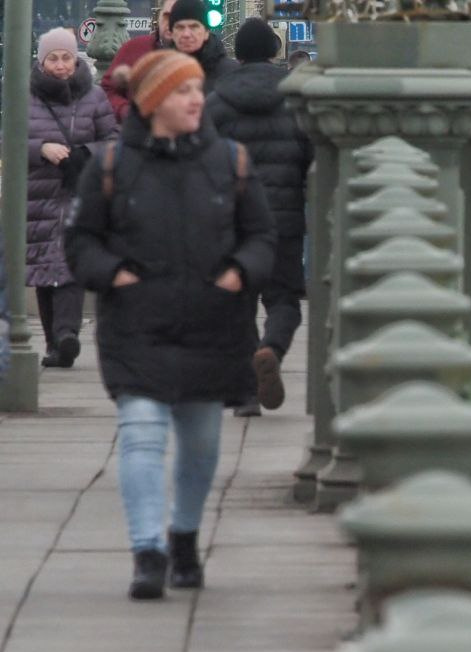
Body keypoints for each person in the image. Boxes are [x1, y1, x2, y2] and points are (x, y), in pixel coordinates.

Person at [65, 50, 276, 600]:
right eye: (184, 91)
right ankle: (147, 553)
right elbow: (81, 239)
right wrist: (113, 275)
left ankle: (183, 536)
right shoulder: (112, 164)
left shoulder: (230, 160)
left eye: (198, 90)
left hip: (211, 323)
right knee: (140, 437)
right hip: (137, 325)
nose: (196, 99)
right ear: (154, 100)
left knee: (202, 445)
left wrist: (240, 273)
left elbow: (261, 236)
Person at [207, 17, 312, 414]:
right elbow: (311, 158)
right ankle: (271, 349)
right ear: (274, 51)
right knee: (283, 299)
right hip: (283, 220)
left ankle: (247, 393)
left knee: (239, 302)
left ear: (238, 53)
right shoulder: (296, 100)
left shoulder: (217, 101)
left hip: (233, 218)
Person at [27, 28, 117, 368]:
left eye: (67, 57)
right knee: (43, 271)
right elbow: (14, 139)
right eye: (54, 58)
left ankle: (67, 335)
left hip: (78, 192)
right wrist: (41, 150)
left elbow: (113, 139)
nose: (61, 65)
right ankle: (55, 344)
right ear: (42, 61)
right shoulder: (27, 97)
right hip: (38, 195)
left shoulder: (93, 98)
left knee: (67, 265)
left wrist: (85, 153)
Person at [102, 0, 177, 121]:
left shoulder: (202, 55)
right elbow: (107, 90)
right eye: (166, 16)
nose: (170, 23)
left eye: (176, 17)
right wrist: (125, 110)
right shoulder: (135, 48)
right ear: (158, 17)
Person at [165, 0, 238, 90]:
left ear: (206, 32)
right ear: (172, 33)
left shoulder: (231, 74)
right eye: (180, 27)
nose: (186, 34)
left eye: (194, 27)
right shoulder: (161, 72)